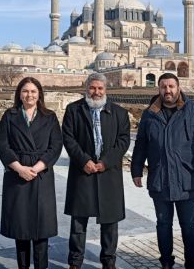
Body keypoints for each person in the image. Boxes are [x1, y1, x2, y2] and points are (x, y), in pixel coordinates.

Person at [131, 73, 194, 269]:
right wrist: (136, 169)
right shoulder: (150, 113)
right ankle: (166, 262)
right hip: (160, 178)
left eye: (171, 86)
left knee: (189, 225)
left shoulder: (193, 111)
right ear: (159, 89)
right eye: (163, 87)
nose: (167, 90)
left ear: (178, 87)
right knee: (163, 224)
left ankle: (192, 263)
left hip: (186, 179)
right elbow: (141, 143)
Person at [62, 73, 131, 269]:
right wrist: (84, 160)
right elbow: (68, 138)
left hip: (108, 174)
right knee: (78, 223)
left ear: (106, 90)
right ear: (86, 89)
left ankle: (108, 261)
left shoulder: (119, 113)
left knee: (110, 222)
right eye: (93, 88)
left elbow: (123, 140)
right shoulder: (74, 110)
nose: (96, 92)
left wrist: (106, 162)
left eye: (100, 88)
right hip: (82, 172)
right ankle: (75, 261)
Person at [0, 77, 63, 269]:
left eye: (33, 91)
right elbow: (2, 145)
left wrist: (38, 167)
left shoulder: (49, 116)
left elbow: (56, 146)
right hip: (17, 176)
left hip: (41, 175)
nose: (29, 95)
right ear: (19, 93)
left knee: (42, 230)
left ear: (39, 93)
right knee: (22, 229)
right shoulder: (10, 115)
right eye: (25, 91)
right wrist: (19, 168)